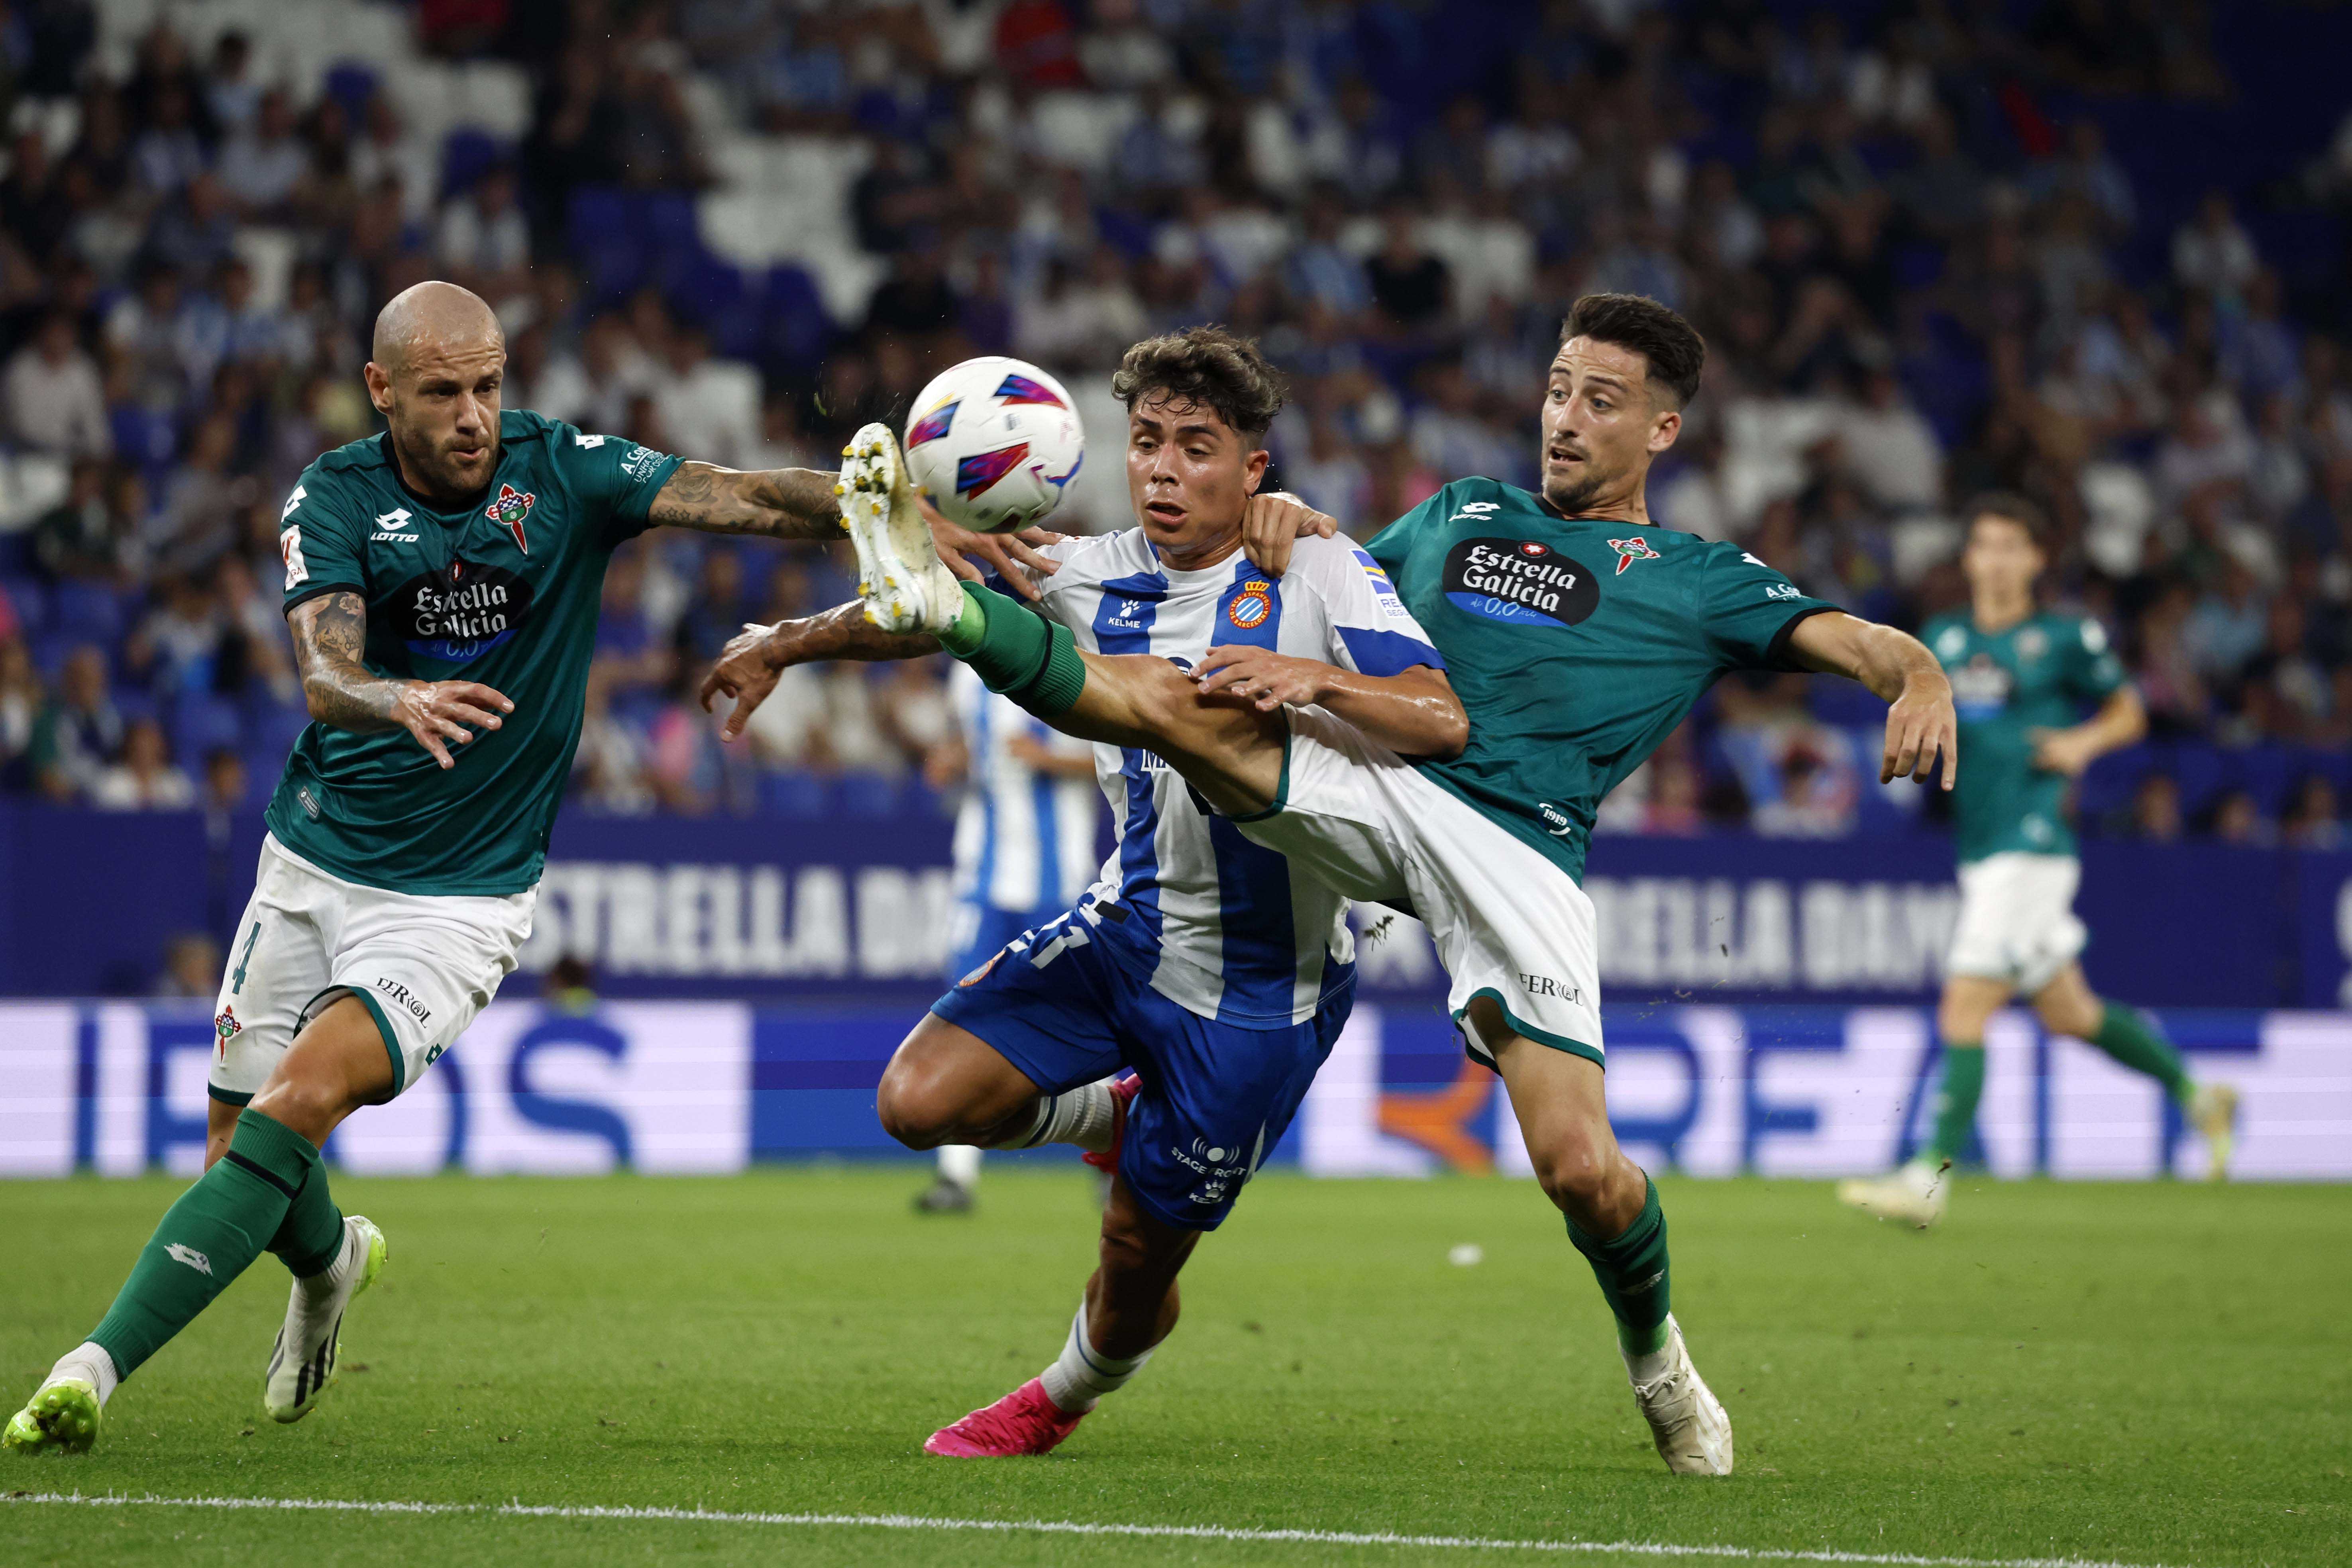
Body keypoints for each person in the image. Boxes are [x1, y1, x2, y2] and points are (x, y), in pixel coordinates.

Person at [707, 296, 1960, 1476]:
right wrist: (1286, 520)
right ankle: (977, 650)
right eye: (1555, 389)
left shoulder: (1695, 577)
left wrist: (1918, 678)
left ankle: (1660, 1366)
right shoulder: (1461, 513)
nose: (1564, 419)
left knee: (1581, 1172)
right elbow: (1316, 562)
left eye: (1599, 401)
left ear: (1661, 429)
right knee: (1191, 713)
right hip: (1364, 794)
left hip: (1511, 854)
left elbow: (1858, 644)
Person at [5, 281, 874, 1457]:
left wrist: (888, 510)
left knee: (298, 1103)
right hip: (313, 859)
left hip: (458, 898)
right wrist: (397, 697)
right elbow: (325, 675)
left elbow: (748, 495)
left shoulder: (564, 472)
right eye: (442, 392)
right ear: (381, 390)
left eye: (488, 386)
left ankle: (87, 1371)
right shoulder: (334, 495)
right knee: (237, 1155)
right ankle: (331, 1264)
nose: (473, 416)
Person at [703, 328, 1462, 1459]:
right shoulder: (1086, 572)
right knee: (915, 1103)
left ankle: (1057, 1397)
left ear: (1252, 468)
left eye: (1195, 447)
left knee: (1133, 1273)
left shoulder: (1313, 570)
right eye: (1146, 441)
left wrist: (1315, 678)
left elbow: (1438, 717)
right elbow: (931, 605)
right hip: (1126, 934)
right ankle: (1111, 1114)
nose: (1162, 468)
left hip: (1261, 994)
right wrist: (786, 642)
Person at [1839, 495, 2239, 1229]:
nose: (1994, 561)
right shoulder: (1943, 638)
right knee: (2069, 1011)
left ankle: (1926, 1180)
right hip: (1982, 842)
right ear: (1967, 559)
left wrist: (2081, 745)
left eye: (2009, 547)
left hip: (2032, 843)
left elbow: (2128, 711)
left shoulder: (2062, 637)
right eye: (1983, 546)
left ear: (2034, 559)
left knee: (1964, 1004)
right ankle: (2197, 1094)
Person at [916, 664, 1104, 1215]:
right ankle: (955, 1175)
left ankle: (1111, 1163)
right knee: (960, 1013)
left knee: (1086, 1017)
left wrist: (1049, 760)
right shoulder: (964, 674)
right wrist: (951, 759)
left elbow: (1124, 761)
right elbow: (966, 743)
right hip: (982, 875)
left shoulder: (1076, 661)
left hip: (1059, 877)